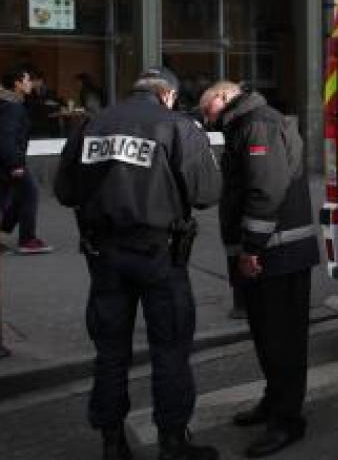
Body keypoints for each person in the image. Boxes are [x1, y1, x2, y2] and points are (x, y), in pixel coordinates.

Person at [55, 67, 223, 460]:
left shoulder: (92, 124)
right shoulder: (177, 126)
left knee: (110, 352)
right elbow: (206, 193)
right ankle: (172, 442)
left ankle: (112, 443)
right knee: (170, 348)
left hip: (105, 255)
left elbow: (65, 191)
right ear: (169, 95)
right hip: (159, 254)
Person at [199, 81, 319, 457]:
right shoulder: (246, 123)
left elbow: (266, 189)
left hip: (277, 255)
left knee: (283, 342)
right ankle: (274, 401)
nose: (205, 118)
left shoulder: (258, 124)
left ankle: (287, 421)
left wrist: (251, 247)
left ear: (223, 97)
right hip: (270, 253)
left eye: (206, 109)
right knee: (268, 338)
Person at [0, 66, 52, 254]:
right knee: (29, 193)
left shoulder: (10, 103)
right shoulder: (12, 107)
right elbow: (7, 137)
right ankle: (27, 240)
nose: (31, 83)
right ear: (17, 84)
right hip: (10, 160)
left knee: (9, 197)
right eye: (27, 80)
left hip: (6, 159)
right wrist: (15, 164)